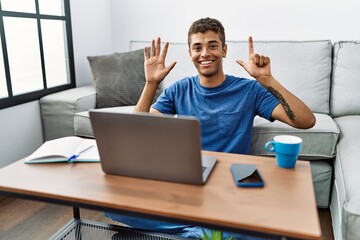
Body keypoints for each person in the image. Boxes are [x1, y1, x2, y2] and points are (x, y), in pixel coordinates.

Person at [106, 17, 316, 239]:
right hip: (188, 184)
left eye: (212, 45)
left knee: (276, 229)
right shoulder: (179, 89)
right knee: (112, 205)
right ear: (190, 53)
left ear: (224, 50)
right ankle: (202, 231)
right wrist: (151, 84)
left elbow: (305, 120)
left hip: (231, 185)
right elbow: (137, 132)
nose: (205, 53)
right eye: (197, 47)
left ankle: (192, 231)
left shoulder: (250, 90)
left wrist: (268, 80)